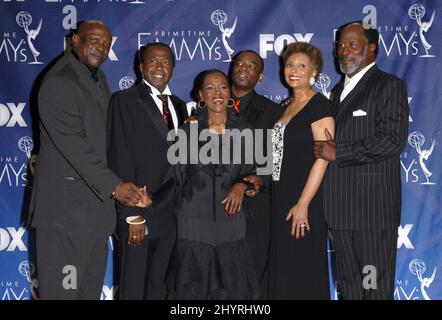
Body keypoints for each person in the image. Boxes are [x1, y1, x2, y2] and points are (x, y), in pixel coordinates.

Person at [29, 20, 142, 300]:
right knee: (64, 294)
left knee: (87, 293)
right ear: (75, 41)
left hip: (93, 217)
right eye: (93, 40)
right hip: (65, 218)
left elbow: (106, 138)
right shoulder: (60, 81)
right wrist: (116, 186)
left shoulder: (95, 77)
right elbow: (74, 146)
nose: (100, 48)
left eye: (105, 44)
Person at [313, 22, 409, 300]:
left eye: (352, 45)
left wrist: (339, 152)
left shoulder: (388, 85)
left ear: (371, 49)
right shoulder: (335, 92)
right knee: (351, 290)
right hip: (339, 212)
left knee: (373, 289)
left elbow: (392, 140)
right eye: (340, 45)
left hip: (371, 212)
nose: (344, 51)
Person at [166, 69, 260, 299]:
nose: (217, 93)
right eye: (210, 88)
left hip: (231, 220)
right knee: (192, 291)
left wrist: (242, 185)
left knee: (233, 290)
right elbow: (176, 177)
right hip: (192, 221)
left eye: (222, 87)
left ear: (230, 92)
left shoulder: (245, 130)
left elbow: (256, 177)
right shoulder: (187, 130)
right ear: (200, 94)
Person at [107, 42, 188, 299]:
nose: (159, 66)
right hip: (140, 210)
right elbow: (119, 158)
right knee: (134, 286)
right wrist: (132, 215)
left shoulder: (179, 106)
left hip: (173, 214)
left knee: (161, 286)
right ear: (141, 66)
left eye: (166, 61)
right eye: (153, 60)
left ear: (173, 69)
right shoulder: (124, 101)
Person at [269, 42, 334, 299]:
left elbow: (323, 159)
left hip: (304, 198)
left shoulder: (320, 107)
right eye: (289, 65)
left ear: (314, 73)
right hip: (280, 195)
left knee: (303, 268)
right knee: (284, 268)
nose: (293, 70)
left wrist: (304, 203)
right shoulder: (285, 107)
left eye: (301, 66)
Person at [229, 50, 282, 298]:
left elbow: (280, 161)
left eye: (251, 66)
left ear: (260, 77)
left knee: (254, 282)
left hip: (255, 210)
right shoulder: (208, 106)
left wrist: (261, 179)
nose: (243, 68)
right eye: (239, 63)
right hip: (212, 211)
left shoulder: (273, 112)